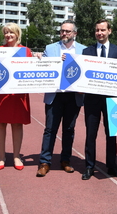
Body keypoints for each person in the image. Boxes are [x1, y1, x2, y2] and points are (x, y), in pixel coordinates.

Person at [37, 21, 86, 177]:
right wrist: (38, 58)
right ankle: (44, 162)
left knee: (69, 130)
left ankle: (65, 160)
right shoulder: (50, 49)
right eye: (62, 31)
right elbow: (42, 67)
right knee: (50, 129)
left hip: (74, 96)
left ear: (75, 33)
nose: (64, 34)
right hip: (55, 95)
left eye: (67, 31)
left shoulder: (84, 50)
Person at [81, 19, 117, 180]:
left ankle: (112, 166)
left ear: (109, 31)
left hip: (111, 100)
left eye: (102, 30)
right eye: (97, 30)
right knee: (90, 134)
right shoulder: (87, 52)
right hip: (92, 99)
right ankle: (89, 166)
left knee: (111, 134)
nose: (99, 33)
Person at [0, 23, 32, 171]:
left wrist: (38, 58)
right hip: (1, 94)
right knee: (0, 124)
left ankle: (16, 156)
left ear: (17, 34)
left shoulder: (26, 51)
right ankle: (1, 156)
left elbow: (31, 70)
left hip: (18, 95)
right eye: (6, 32)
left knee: (17, 124)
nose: (8, 35)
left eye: (11, 32)